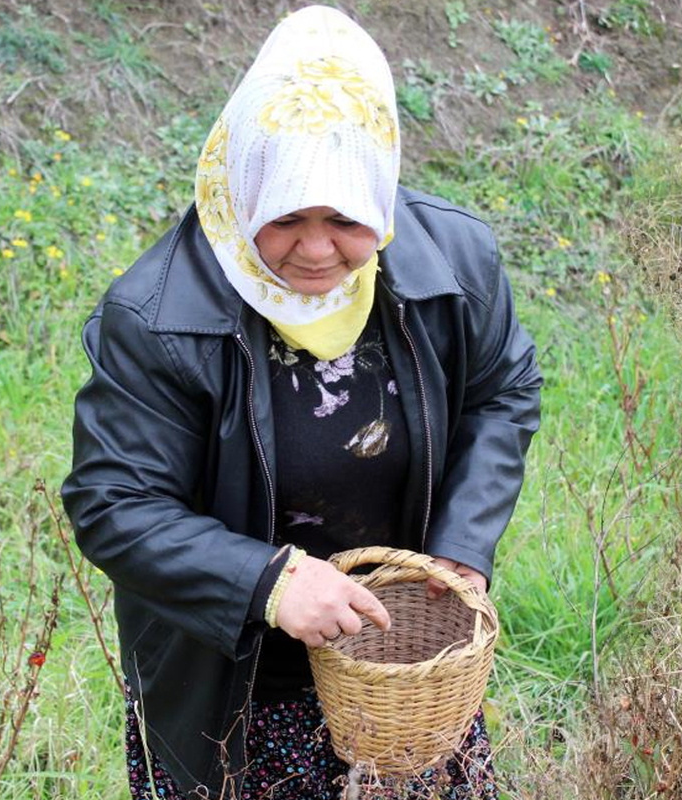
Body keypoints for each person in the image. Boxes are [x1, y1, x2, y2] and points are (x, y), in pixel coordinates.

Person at [61, 7, 542, 799]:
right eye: (284, 218)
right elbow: (114, 502)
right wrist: (269, 583)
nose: (316, 252)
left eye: (346, 221)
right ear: (246, 188)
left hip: (397, 671)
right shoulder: (158, 315)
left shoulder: (454, 262)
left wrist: (463, 540)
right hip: (233, 687)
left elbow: (502, 390)